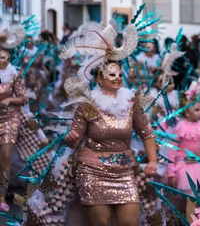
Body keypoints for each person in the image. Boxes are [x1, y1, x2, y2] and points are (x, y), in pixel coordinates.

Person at [64, 59, 158, 226]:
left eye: (120, 74)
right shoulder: (88, 104)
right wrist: (71, 137)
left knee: (129, 222)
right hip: (93, 171)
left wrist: (152, 160)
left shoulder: (131, 102)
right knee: (102, 223)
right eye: (112, 74)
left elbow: (147, 132)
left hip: (124, 170)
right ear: (100, 79)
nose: (117, 78)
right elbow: (73, 138)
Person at [168, 78, 200, 220]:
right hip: (186, 168)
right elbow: (172, 151)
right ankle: (191, 222)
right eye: (197, 110)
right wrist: (171, 173)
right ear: (187, 113)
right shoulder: (180, 129)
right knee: (191, 199)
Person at [0, 39, 28, 211]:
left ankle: (2, 197)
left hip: (10, 118)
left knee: (5, 157)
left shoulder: (13, 74)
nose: (4, 60)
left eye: (7, 57)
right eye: (1, 57)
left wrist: (10, 99)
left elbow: (24, 98)